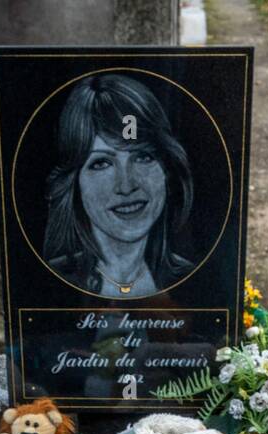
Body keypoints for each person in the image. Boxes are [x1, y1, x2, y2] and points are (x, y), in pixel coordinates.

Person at [44, 72, 195, 298]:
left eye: (143, 157)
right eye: (102, 163)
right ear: (74, 182)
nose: (126, 186)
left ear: (167, 170)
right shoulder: (50, 282)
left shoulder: (195, 281)